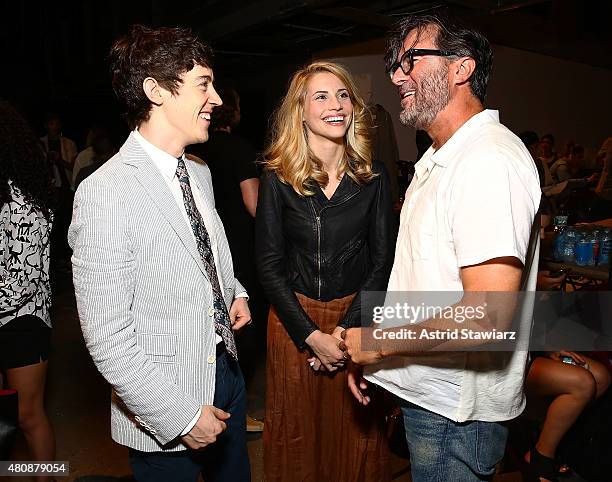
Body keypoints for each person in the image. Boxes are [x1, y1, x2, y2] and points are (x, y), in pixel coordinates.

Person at [339, 14, 541, 482]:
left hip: (457, 414)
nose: (395, 74)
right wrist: (384, 365)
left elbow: (489, 315)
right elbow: (425, 279)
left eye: (411, 58)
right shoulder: (439, 156)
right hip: (431, 395)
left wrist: (377, 343)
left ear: (461, 68)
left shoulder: (488, 160)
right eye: (394, 63)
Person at [68, 25, 251, 482]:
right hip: (167, 400)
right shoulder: (104, 192)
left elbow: (205, 249)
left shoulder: (200, 171)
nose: (217, 100)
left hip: (226, 373)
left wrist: (235, 291)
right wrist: (183, 418)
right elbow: (108, 337)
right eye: (202, 85)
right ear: (155, 90)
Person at [256, 61, 394, 482]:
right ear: (300, 111)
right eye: (321, 96)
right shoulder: (278, 177)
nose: (335, 106)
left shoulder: (373, 177)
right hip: (293, 322)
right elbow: (268, 265)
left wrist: (342, 332)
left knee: (353, 433)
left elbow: (381, 261)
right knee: (296, 434)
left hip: (354, 322)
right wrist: (312, 336)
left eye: (343, 95)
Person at [190, 84, 265, 433]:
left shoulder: (196, 153)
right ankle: (240, 410)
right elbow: (254, 204)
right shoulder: (239, 147)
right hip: (238, 247)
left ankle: (217, 406)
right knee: (243, 328)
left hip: (210, 251)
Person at [0, 100, 56, 481]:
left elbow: (22, 280)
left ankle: (47, 476)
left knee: (26, 417)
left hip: (23, 321)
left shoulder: (23, 202)